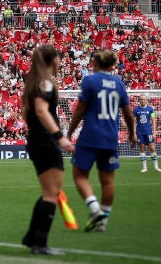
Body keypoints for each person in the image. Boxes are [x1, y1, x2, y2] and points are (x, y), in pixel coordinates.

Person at [67, 49, 137, 233]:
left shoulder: (90, 80)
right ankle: (103, 222)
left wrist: (69, 132)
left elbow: (80, 110)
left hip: (90, 136)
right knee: (108, 181)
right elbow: (128, 114)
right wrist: (132, 133)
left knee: (80, 176)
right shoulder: (119, 84)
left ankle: (95, 209)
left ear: (96, 63)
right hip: (110, 137)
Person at [20, 44, 74, 255]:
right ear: (53, 61)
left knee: (48, 192)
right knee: (52, 193)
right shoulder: (46, 84)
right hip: (45, 140)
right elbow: (42, 111)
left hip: (37, 140)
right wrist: (60, 137)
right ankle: (40, 243)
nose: (60, 61)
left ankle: (31, 236)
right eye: (59, 57)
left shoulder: (36, 82)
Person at [133, 95, 161, 173]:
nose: (142, 100)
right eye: (141, 99)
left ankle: (156, 167)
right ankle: (144, 167)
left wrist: (154, 132)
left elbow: (153, 121)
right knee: (142, 149)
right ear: (139, 100)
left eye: (144, 99)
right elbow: (134, 122)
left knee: (152, 148)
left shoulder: (150, 109)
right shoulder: (136, 109)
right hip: (139, 132)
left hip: (148, 132)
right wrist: (134, 133)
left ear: (146, 100)